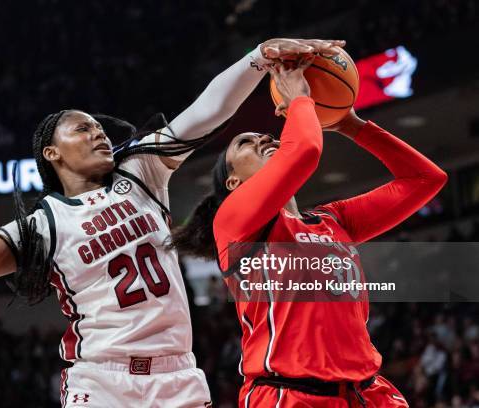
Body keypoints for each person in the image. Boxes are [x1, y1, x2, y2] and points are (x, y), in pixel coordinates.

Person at [0, 39, 345, 407]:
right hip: (102, 382)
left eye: (98, 126)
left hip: (179, 374)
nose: (98, 132)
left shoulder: (141, 171)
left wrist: (257, 57)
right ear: (52, 153)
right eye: (81, 129)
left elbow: (206, 112)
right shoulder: (44, 224)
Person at [173, 58, 447, 407]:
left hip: (367, 393)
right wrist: (299, 97)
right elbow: (304, 150)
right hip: (289, 395)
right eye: (245, 142)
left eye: (262, 135)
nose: (263, 138)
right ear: (233, 182)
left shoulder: (333, 220)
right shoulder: (234, 221)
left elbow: (425, 180)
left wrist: (352, 126)